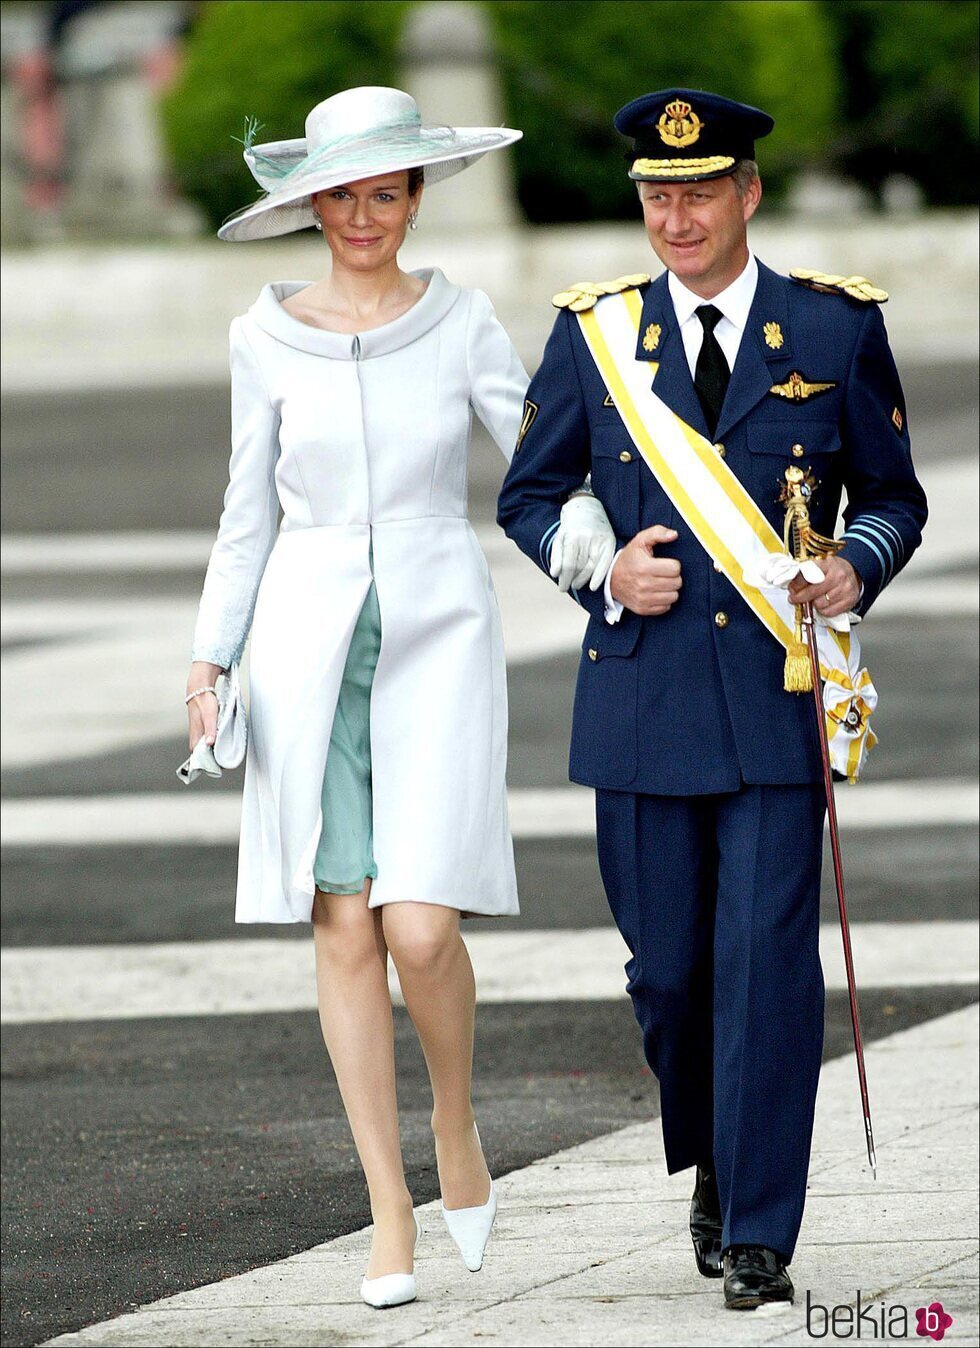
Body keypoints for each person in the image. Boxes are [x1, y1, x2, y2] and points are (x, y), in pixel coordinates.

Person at [185, 86, 615, 1310]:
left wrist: (603, 563)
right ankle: (388, 1203)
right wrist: (210, 658)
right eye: (343, 194)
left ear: (415, 198)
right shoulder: (261, 335)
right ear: (309, 204)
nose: (364, 215)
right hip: (305, 644)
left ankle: (457, 1123)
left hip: (435, 631)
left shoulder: (463, 318)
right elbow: (245, 513)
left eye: (387, 192)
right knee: (341, 917)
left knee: (420, 926)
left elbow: (541, 460)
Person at [498, 88, 927, 1310]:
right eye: (653, 196)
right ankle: (715, 1154)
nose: (674, 217)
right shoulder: (596, 335)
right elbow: (529, 495)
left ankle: (755, 1223)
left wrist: (854, 564)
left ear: (746, 192)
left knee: (763, 968)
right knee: (671, 978)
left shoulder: (831, 332)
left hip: (774, 698)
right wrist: (600, 565)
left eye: (697, 191)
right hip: (639, 702)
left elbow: (895, 496)